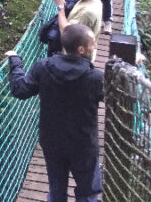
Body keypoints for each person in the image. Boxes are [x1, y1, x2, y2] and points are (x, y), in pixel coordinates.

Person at [6, 23, 103, 202]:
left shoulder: (43, 67)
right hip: (83, 146)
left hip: (53, 143)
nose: (96, 45)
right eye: (93, 43)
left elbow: (20, 90)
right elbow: (118, 99)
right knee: (88, 194)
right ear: (81, 49)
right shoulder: (96, 78)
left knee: (56, 193)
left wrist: (16, 62)